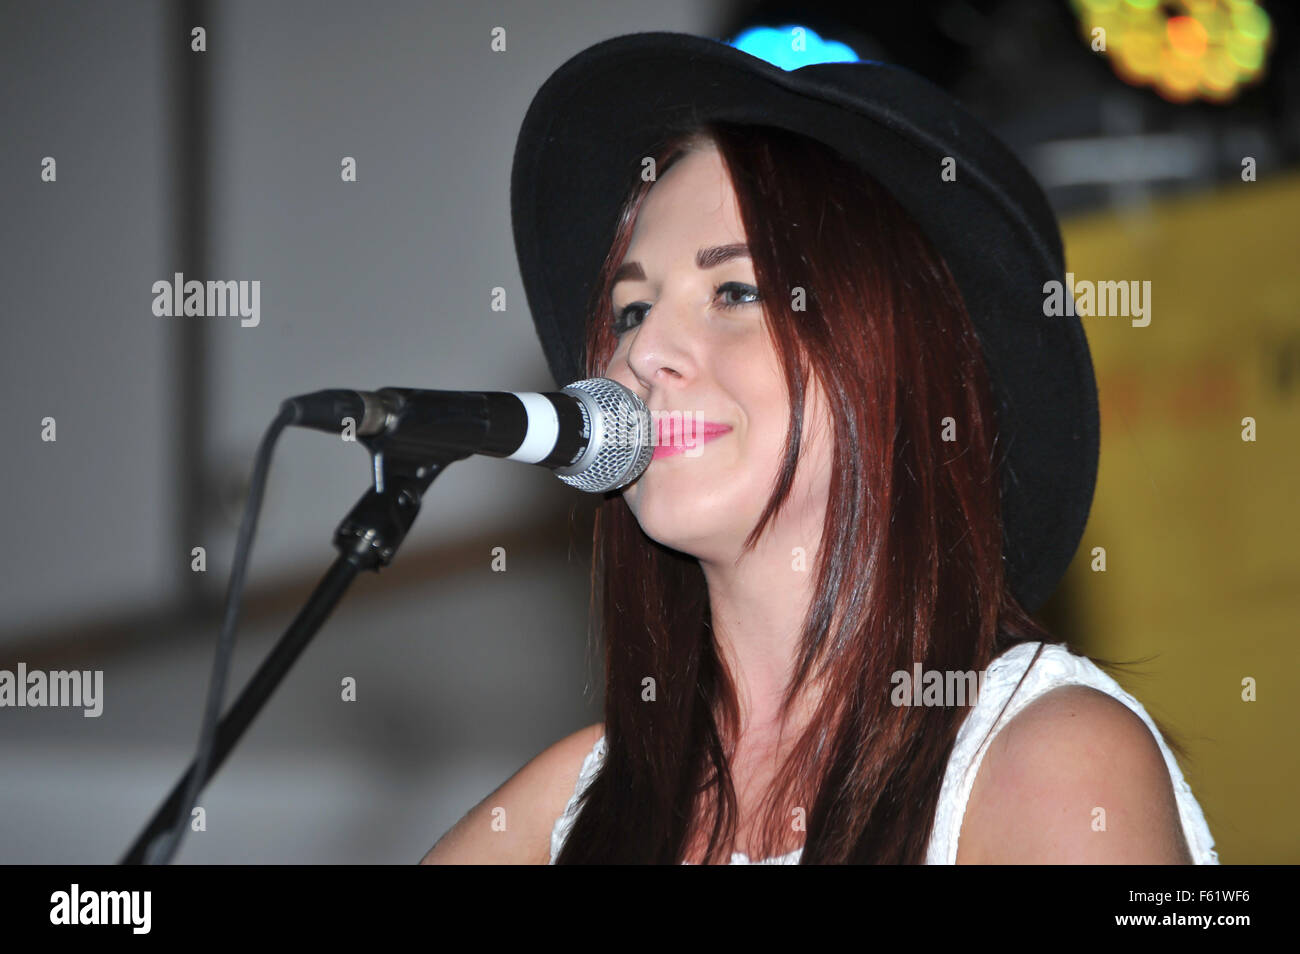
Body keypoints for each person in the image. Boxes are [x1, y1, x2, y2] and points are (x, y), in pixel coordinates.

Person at [422, 32, 1219, 865]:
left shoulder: (1047, 757)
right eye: (630, 312)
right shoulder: (568, 807)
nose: (643, 354)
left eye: (734, 291)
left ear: (897, 365)